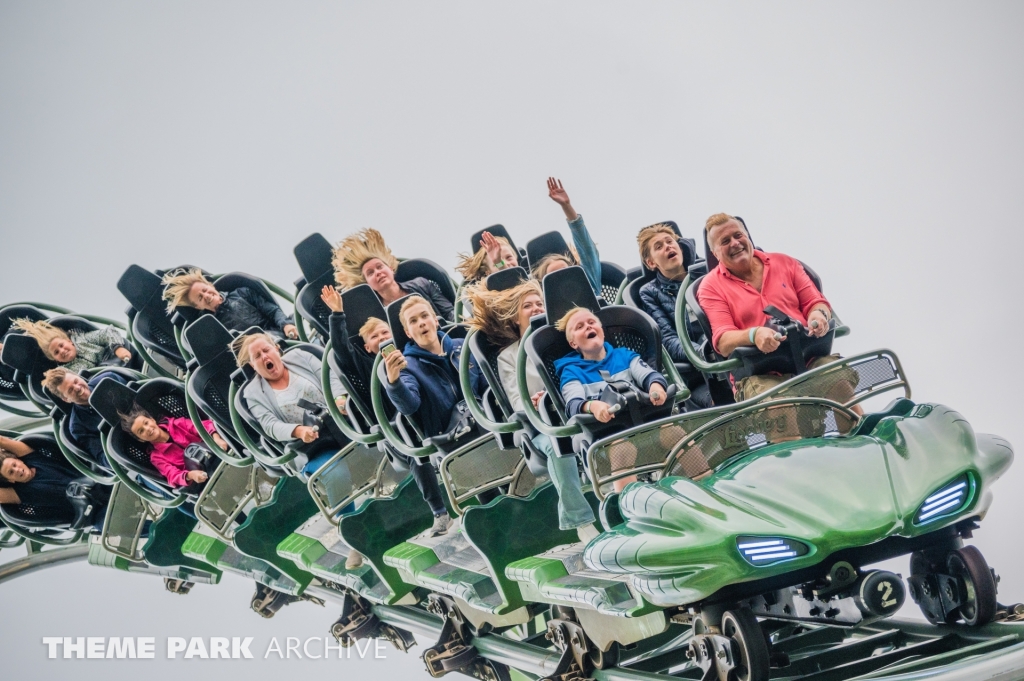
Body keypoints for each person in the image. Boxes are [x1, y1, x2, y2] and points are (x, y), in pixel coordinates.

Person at [466, 281, 599, 542]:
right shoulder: (508, 356)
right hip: (542, 425)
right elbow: (517, 402)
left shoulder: (563, 342)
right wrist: (539, 402)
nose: (536, 308)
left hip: (582, 410)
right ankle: (581, 521)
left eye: (540, 303)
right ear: (516, 317)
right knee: (556, 444)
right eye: (528, 306)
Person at [231, 333, 362, 568]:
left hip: (343, 425)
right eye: (257, 357)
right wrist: (297, 430)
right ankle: (353, 536)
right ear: (253, 365)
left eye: (266, 351)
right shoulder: (252, 393)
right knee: (335, 473)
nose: (264, 357)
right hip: (312, 447)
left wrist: (340, 399)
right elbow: (270, 424)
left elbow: (330, 375)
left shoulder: (300, 356)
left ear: (276, 349)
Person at [696, 213, 853, 405]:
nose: (735, 243)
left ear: (747, 236)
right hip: (759, 374)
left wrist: (818, 315)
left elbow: (816, 302)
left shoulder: (784, 263)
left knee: (838, 380)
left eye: (738, 235)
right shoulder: (710, 286)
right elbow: (723, 340)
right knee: (779, 406)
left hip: (808, 358)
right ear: (715, 253)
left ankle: (858, 427)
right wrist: (754, 335)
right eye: (725, 241)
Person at [382, 295, 484, 537]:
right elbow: (409, 405)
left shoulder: (461, 345)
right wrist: (394, 382)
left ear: (435, 320)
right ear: (407, 331)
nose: (421, 323)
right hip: (453, 439)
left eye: (425, 316)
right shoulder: (409, 365)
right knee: (486, 486)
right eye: (414, 321)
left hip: (483, 423)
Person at [554, 307, 669, 492]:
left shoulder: (623, 355)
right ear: (573, 343)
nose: (588, 327)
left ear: (601, 330)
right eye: (580, 326)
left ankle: (701, 485)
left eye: (591, 323)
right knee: (622, 449)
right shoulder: (572, 371)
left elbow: (648, 374)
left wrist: (656, 386)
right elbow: (573, 404)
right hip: (607, 436)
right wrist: (592, 406)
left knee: (675, 433)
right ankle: (629, 502)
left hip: (643, 424)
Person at [634, 224, 713, 409]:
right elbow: (668, 339)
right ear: (651, 263)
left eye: (670, 242)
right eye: (659, 246)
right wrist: (702, 352)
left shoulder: (706, 274)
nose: (668, 247)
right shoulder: (650, 292)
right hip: (698, 372)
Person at [332, 228, 454, 322]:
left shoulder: (421, 284)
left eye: (380, 267)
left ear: (390, 269)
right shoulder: (375, 315)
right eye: (370, 273)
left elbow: (450, 313)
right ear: (367, 284)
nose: (378, 272)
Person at [161, 268, 299, 340]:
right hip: (255, 355)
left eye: (205, 290)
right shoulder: (209, 325)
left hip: (277, 336)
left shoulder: (242, 293)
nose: (207, 296)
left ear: (210, 285)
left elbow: (273, 311)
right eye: (200, 297)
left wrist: (286, 325)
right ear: (198, 306)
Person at [119, 405, 229, 491]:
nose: (147, 429)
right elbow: (172, 475)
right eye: (141, 431)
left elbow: (203, 426)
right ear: (140, 439)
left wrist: (216, 438)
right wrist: (190, 475)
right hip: (204, 479)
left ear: (152, 420)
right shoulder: (156, 457)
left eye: (146, 423)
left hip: (219, 455)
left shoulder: (177, 424)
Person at [320, 284, 393, 411]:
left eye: (385, 332)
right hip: (396, 411)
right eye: (374, 336)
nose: (381, 337)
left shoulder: (407, 349)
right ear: (368, 347)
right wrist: (337, 313)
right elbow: (341, 347)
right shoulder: (366, 364)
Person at [41, 367, 130, 466]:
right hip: (130, 449)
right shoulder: (78, 427)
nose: (77, 388)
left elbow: (142, 395)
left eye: (76, 381)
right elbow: (103, 456)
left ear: (80, 377)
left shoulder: (109, 379)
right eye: (70, 390)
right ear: (66, 399)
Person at [0, 434, 98, 521]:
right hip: (89, 510)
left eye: (14, 464)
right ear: (10, 480)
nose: (16, 469)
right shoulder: (21, 493)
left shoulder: (33, 458)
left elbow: (2, 441)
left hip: (97, 480)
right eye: (11, 472)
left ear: (19, 460)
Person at [533, 178, 603, 297]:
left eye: (566, 272)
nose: (563, 277)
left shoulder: (589, 286)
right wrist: (499, 263)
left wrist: (566, 206)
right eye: (554, 276)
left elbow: (587, 250)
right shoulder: (543, 306)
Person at [13, 319, 133, 374]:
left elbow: (107, 332)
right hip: (104, 378)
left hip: (119, 360)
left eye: (61, 345)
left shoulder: (83, 339)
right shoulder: (66, 370)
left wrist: (118, 347)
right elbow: (58, 381)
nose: (62, 351)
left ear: (69, 341)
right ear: (56, 359)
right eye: (56, 352)